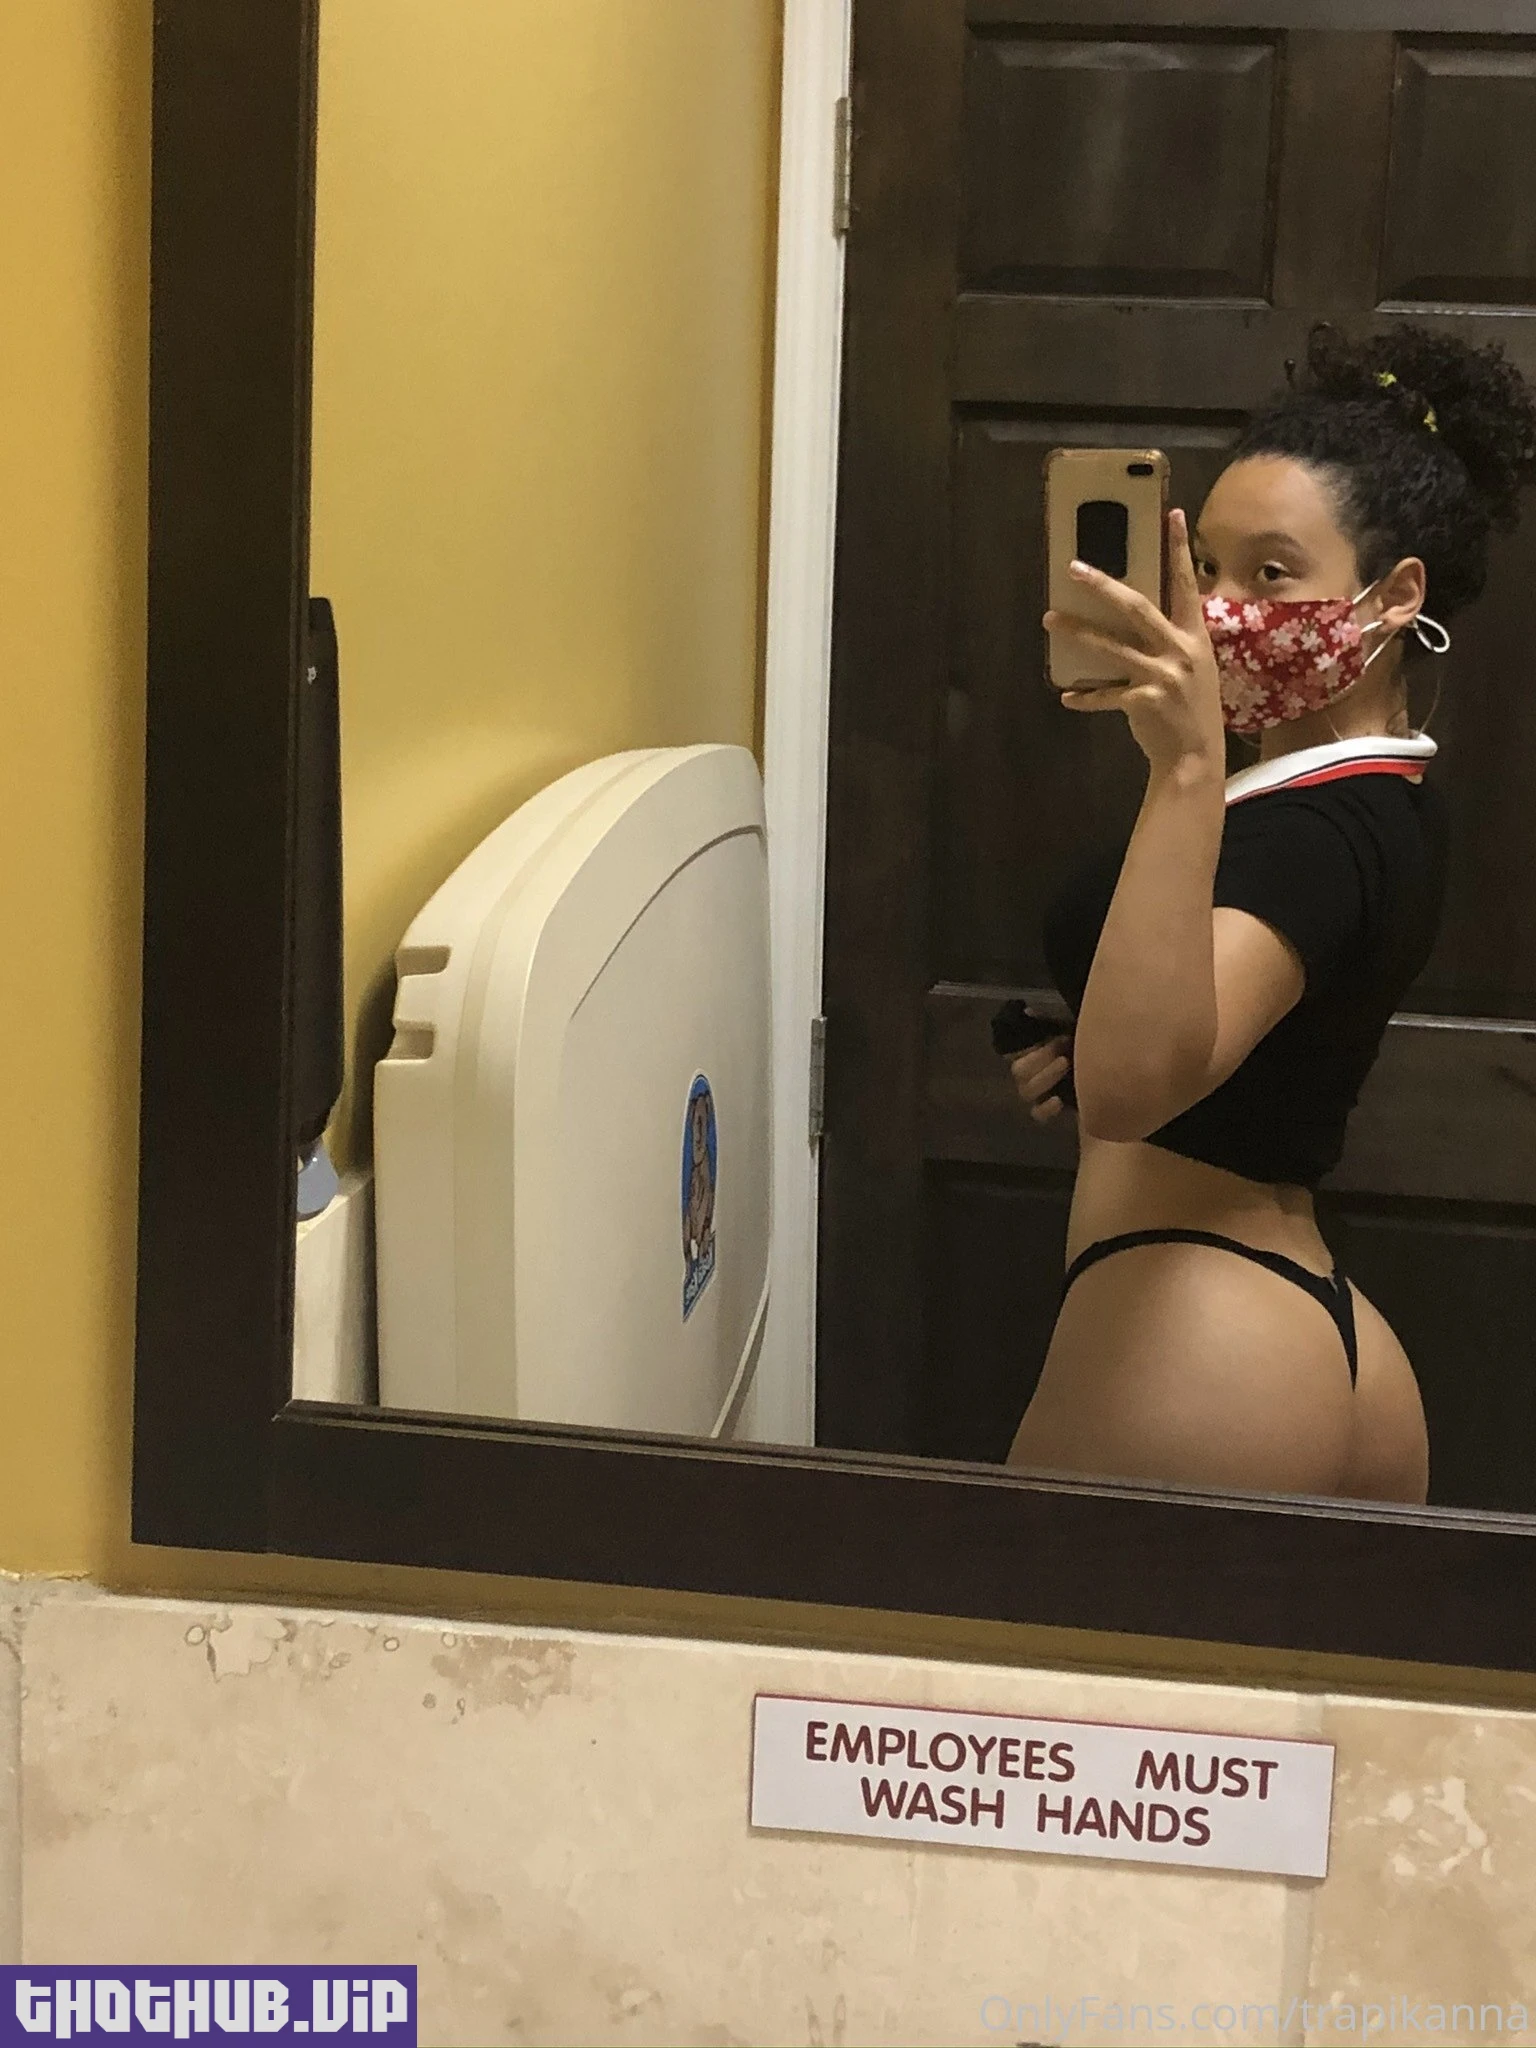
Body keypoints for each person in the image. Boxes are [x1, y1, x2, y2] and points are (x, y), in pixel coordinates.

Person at [1005, 323, 1536, 1504]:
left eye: (1274, 572)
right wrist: (1091, 1042)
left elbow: (1136, 1088)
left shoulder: (1312, 825)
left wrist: (1186, 765)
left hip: (1200, 1336)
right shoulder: (1376, 799)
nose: (1221, 606)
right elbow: (1219, 1037)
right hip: (1308, 1326)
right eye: (1208, 567)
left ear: (1397, 597)